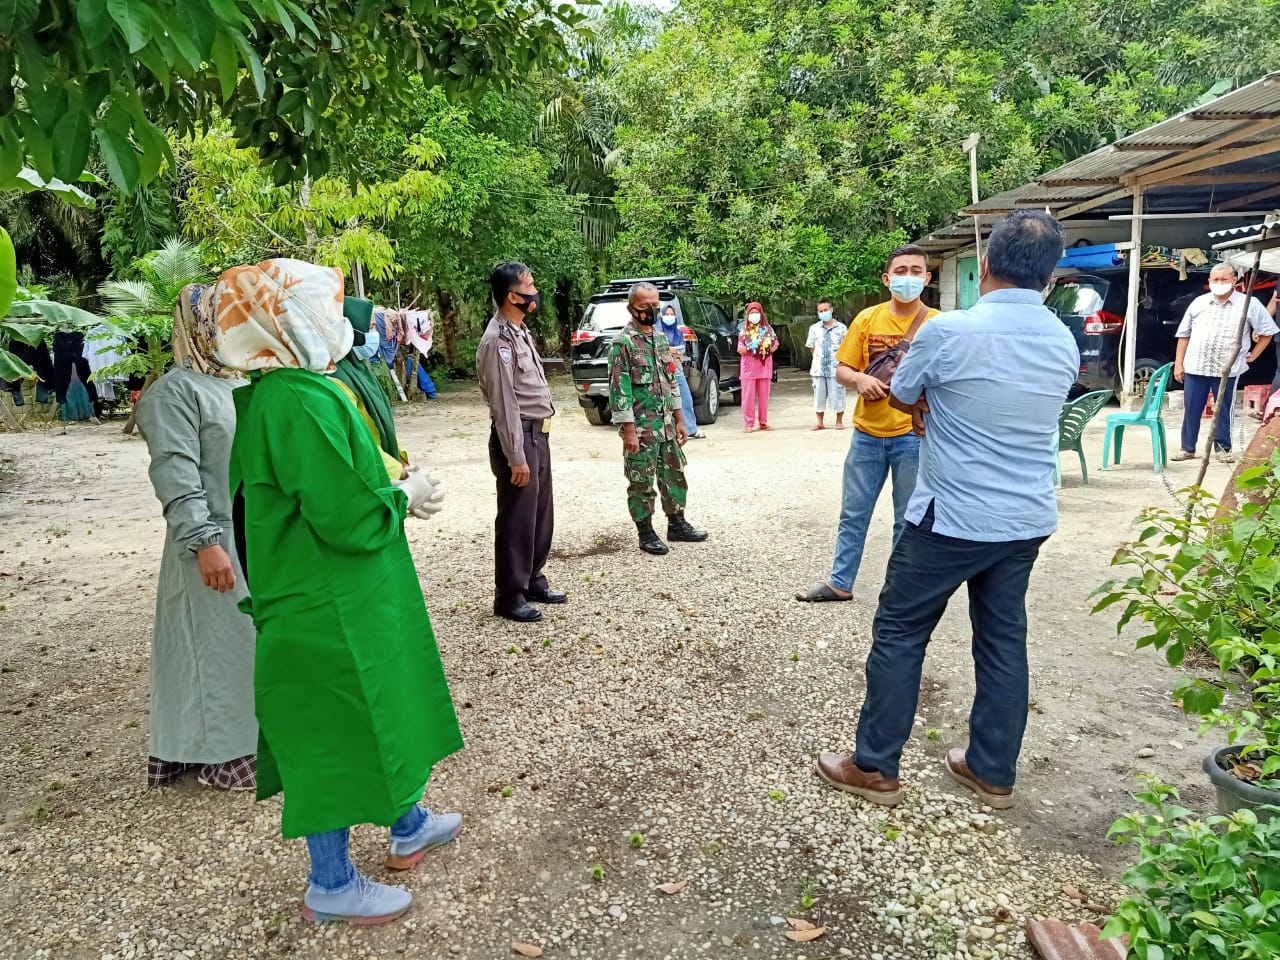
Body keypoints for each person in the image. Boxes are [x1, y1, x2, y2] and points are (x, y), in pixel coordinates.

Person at [215, 258, 463, 925]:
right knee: (329, 732)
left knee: (380, 706)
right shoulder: (296, 398)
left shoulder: (294, 388)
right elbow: (347, 515)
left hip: (345, 592)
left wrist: (390, 482)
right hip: (322, 602)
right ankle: (330, 881)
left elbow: (345, 478)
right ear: (287, 318)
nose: (337, 319)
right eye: (322, 307)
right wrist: (402, 496)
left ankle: (407, 822)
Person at [815, 211, 1080, 811]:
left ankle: (875, 766)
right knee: (1003, 639)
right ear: (1051, 275)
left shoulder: (948, 332)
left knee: (901, 631)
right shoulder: (1061, 338)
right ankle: (991, 771)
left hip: (950, 518)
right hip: (1025, 519)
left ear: (984, 267)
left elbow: (905, 396)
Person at [136, 284, 257, 791]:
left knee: (238, 646)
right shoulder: (174, 392)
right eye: (220, 320)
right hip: (207, 540)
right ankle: (220, 757)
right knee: (210, 645)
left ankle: (234, 742)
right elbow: (174, 472)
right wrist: (204, 541)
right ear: (198, 325)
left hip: (245, 531)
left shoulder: (232, 383)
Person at [795, 246, 938, 603]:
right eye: (901, 271)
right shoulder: (867, 319)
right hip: (866, 436)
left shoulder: (938, 323)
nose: (909, 277)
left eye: (916, 271)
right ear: (887, 279)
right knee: (853, 514)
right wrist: (860, 380)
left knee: (907, 519)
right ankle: (840, 582)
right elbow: (841, 368)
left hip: (913, 437)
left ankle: (899, 591)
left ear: (927, 278)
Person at [476, 261, 566, 623]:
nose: (535, 291)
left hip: (538, 434)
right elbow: (505, 404)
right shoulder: (497, 340)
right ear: (513, 296)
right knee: (516, 518)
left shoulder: (519, 331)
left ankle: (532, 579)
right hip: (518, 438)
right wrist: (516, 457)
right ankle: (509, 594)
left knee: (539, 515)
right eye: (529, 286)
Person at [608, 282, 709, 555]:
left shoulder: (661, 339)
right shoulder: (623, 344)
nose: (651, 311)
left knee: (674, 475)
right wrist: (628, 430)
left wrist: (680, 420)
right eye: (645, 307)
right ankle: (645, 532)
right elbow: (620, 390)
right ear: (631, 308)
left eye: (655, 306)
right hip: (642, 428)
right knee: (641, 480)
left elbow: (672, 383)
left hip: (666, 424)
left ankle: (677, 523)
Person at [1171, 262, 1276, 464]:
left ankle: (1223, 449)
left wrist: (1253, 355)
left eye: (1224, 280)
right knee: (1191, 408)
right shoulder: (1198, 303)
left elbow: (1267, 332)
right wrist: (1179, 363)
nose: (1219, 283)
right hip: (1196, 365)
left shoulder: (1249, 303)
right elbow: (1183, 335)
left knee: (1224, 408)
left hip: (1227, 369)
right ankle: (1187, 448)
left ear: (1234, 280)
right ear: (1209, 281)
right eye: (1215, 280)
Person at [658, 303, 705, 439]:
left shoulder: (678, 332)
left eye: (672, 314)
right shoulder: (656, 331)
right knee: (664, 401)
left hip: (676, 370)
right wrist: (672, 350)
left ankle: (690, 429)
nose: (669, 317)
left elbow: (682, 352)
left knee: (685, 398)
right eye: (666, 314)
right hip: (661, 371)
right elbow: (660, 349)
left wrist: (671, 350)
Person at [805, 299, 848, 430]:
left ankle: (839, 421)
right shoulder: (814, 329)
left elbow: (846, 347)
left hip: (836, 368)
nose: (823, 312)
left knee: (838, 394)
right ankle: (820, 422)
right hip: (818, 368)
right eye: (821, 311)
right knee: (819, 395)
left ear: (831, 310)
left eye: (825, 310)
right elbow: (811, 347)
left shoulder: (841, 328)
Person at [737, 302, 778, 432]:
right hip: (749, 368)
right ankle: (748, 423)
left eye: (757, 312)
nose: (754, 315)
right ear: (748, 315)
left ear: (761, 314)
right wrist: (752, 348)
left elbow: (776, 343)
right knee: (748, 396)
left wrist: (767, 349)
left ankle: (763, 422)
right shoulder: (744, 331)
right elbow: (740, 349)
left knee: (764, 396)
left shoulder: (768, 329)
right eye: (752, 313)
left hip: (764, 366)